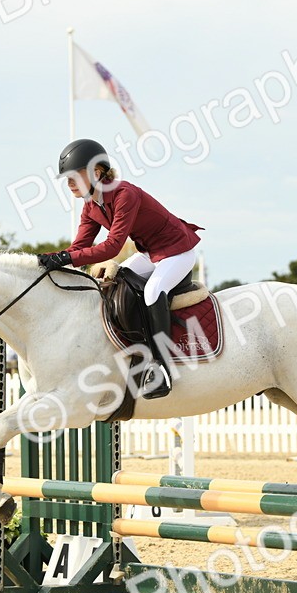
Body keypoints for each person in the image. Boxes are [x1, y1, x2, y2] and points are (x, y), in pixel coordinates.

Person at [37, 138, 202, 399]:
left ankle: (161, 366)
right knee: (117, 283)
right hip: (150, 253)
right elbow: (79, 245)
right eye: (66, 178)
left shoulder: (125, 193)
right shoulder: (90, 206)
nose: (68, 183)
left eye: (73, 176)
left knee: (152, 292)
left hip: (177, 250)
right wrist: (50, 259)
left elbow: (113, 246)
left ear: (97, 173)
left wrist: (65, 257)